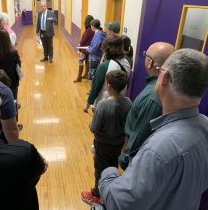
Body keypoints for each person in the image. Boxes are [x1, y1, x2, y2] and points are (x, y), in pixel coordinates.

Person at [99, 48, 208, 210]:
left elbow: (118, 203)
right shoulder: (205, 124)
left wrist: (108, 173)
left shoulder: (157, 150)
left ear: (164, 78)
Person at [118, 42, 175, 170]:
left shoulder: (152, 98)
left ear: (150, 62)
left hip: (136, 164)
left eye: (145, 55)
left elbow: (139, 140)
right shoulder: (169, 87)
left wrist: (125, 158)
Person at [81, 70, 132, 205]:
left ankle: (97, 194)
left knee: (100, 168)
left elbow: (94, 128)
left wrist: (91, 122)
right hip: (119, 144)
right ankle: (111, 188)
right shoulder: (128, 102)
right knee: (112, 165)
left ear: (108, 86)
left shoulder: (103, 105)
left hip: (103, 144)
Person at [84, 35, 130, 113]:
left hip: (103, 105)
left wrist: (87, 104)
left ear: (106, 49)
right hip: (119, 104)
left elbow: (96, 86)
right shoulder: (126, 63)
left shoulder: (104, 66)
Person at [0, 29, 21, 101]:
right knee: (13, 98)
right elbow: (18, 65)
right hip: (12, 80)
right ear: (7, 38)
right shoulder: (13, 52)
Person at [74, 15, 95, 82]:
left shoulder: (89, 30)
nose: (84, 20)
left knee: (81, 62)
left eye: (86, 19)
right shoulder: (92, 29)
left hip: (84, 49)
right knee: (87, 62)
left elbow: (84, 39)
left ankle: (79, 77)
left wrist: (80, 44)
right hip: (88, 49)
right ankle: (86, 74)